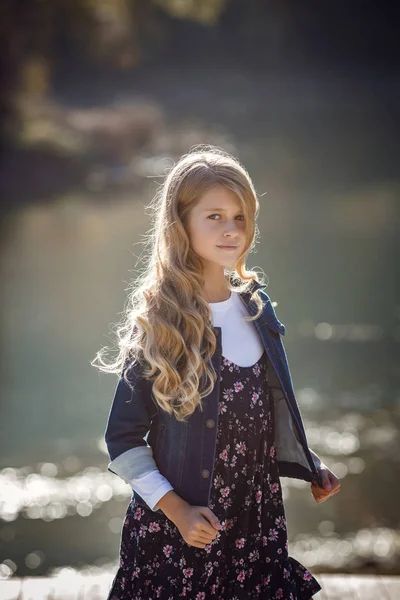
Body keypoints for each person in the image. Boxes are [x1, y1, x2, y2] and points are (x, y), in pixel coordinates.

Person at [93, 145, 341, 600]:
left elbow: (261, 414)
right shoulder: (161, 321)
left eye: (241, 217)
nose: (232, 230)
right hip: (183, 533)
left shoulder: (258, 310)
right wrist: (179, 512)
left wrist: (311, 464)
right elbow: (123, 440)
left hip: (256, 524)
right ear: (181, 223)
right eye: (215, 217)